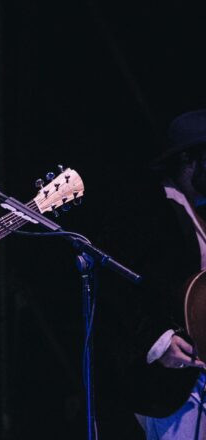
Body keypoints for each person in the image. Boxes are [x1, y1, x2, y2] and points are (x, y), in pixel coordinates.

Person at [96, 109, 206, 440]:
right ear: (188, 161)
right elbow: (115, 280)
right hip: (174, 381)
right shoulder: (151, 209)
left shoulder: (199, 212)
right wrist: (157, 341)